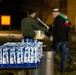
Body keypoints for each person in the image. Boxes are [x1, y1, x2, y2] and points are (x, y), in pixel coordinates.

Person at [48, 8, 71, 73]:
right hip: (65, 39)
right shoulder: (65, 19)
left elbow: (53, 29)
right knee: (63, 55)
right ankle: (62, 69)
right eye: (52, 14)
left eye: (54, 14)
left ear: (58, 13)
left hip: (58, 39)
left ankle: (49, 66)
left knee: (52, 53)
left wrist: (49, 30)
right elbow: (68, 28)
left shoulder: (57, 20)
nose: (53, 15)